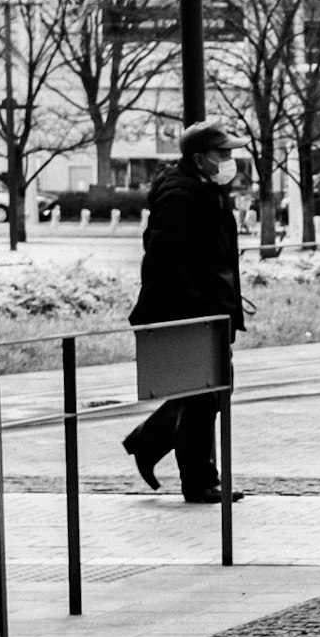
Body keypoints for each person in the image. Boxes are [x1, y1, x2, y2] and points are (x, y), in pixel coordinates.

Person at [121, 122, 247, 504]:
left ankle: (149, 441)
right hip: (192, 312)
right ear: (199, 159)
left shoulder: (209, 190)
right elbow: (164, 260)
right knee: (204, 395)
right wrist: (200, 310)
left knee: (209, 390)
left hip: (211, 309)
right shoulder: (181, 195)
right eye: (222, 154)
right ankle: (199, 481)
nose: (229, 161)